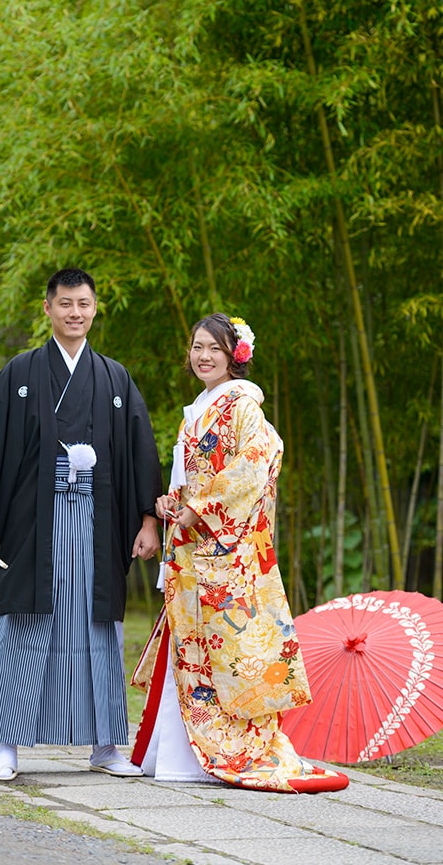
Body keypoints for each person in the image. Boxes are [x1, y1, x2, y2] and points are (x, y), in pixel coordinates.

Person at [0, 268, 162, 780]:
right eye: (65, 304)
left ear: (95, 308)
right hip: (33, 524)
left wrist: (148, 519)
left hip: (99, 522)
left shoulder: (114, 378)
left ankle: (105, 745)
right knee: (24, 625)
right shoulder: (21, 372)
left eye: (83, 303)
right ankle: (7, 747)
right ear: (47, 309)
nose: (74, 313)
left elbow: (138, 454)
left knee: (96, 627)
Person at [130, 313, 348, 793]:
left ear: (235, 357)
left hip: (226, 553)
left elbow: (255, 465)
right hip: (194, 547)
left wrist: (199, 509)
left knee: (229, 655)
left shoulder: (243, 405)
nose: (203, 356)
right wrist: (172, 502)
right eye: (197, 346)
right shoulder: (200, 408)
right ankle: (175, 756)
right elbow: (187, 479)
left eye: (215, 348)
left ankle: (226, 750)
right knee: (191, 649)